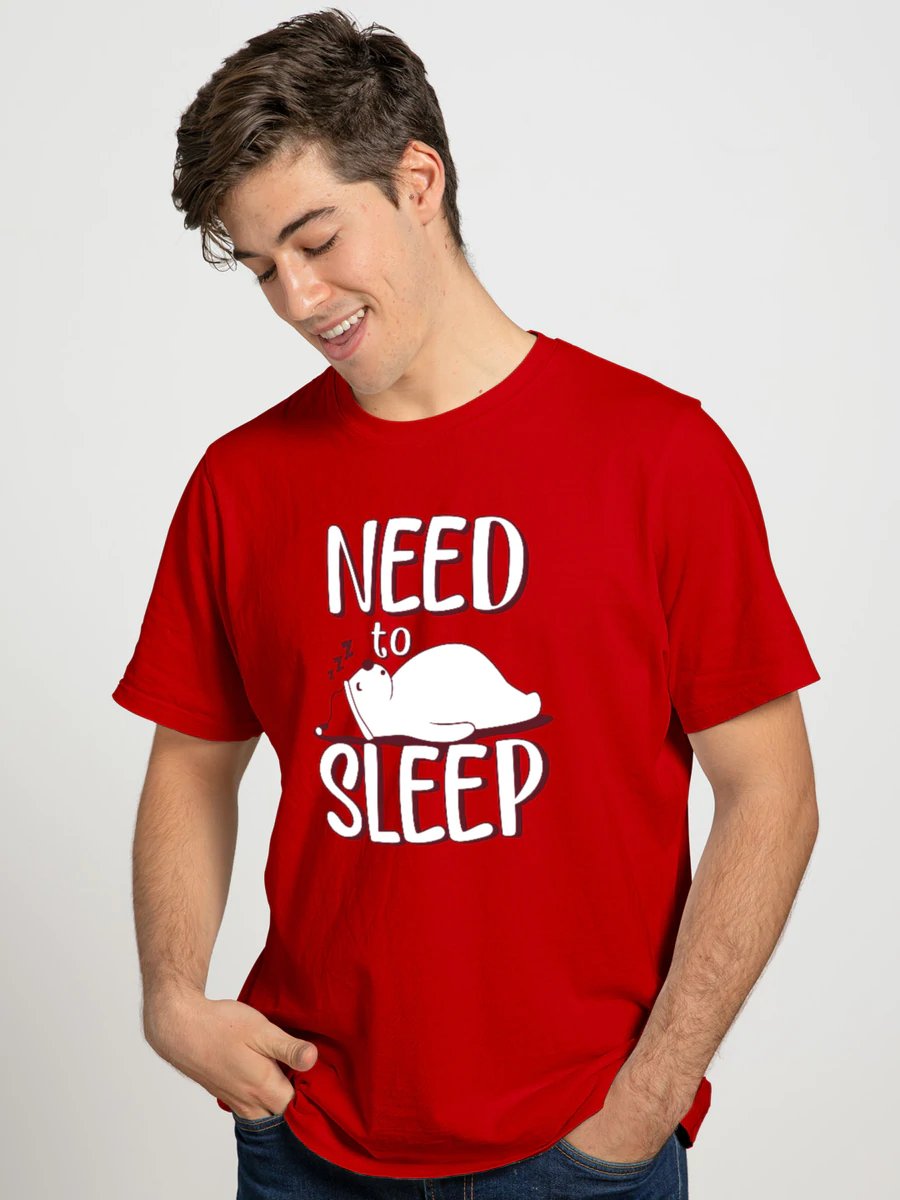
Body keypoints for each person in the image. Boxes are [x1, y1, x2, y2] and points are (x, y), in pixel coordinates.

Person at [112, 10, 821, 1199]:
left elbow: (773, 792)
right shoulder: (242, 483)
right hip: (312, 1137)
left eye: (316, 240)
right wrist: (172, 998)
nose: (298, 299)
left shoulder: (656, 454)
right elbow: (190, 760)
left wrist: (647, 1101)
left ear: (418, 181)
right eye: (264, 268)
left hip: (582, 1147)